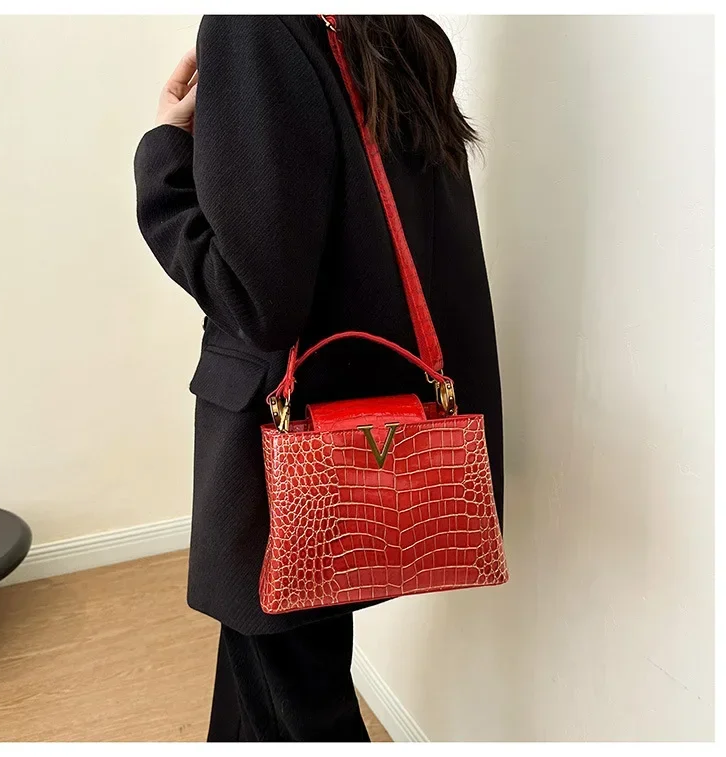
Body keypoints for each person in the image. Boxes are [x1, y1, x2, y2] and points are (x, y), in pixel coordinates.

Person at [134, 14, 503, 743]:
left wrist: (165, 155)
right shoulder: (403, 30)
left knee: (298, 707)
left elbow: (256, 299)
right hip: (360, 432)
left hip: (287, 451)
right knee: (273, 686)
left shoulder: (254, 29)